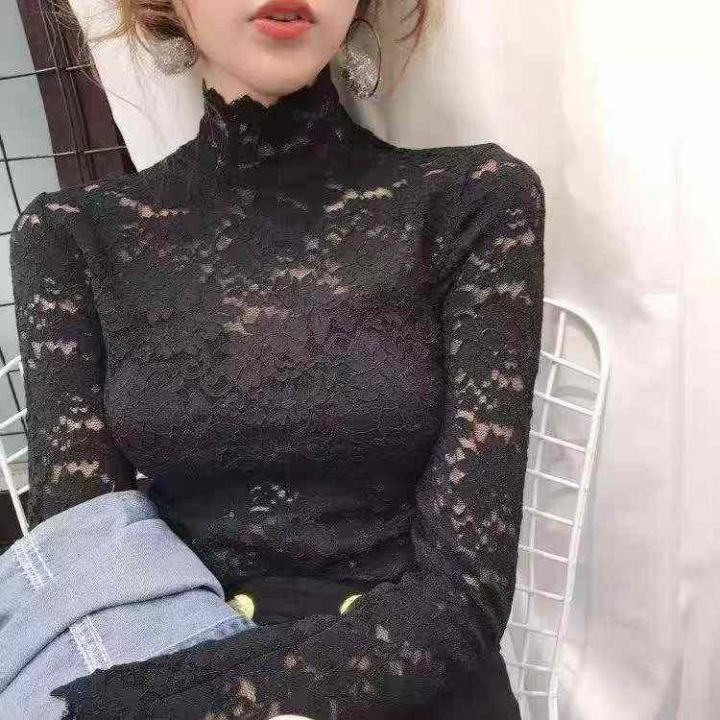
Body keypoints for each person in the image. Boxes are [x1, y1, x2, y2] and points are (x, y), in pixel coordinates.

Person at [7, 0, 546, 718]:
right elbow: (91, 563)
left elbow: (464, 598)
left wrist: (228, 704)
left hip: (412, 681)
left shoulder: (472, 201)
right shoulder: (74, 236)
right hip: (164, 659)